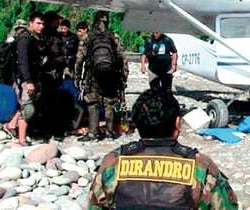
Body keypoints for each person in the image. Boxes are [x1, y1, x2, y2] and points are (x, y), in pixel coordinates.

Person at [88, 89, 238, 209]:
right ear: (178, 124)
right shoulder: (201, 166)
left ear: (138, 123)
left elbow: (94, 204)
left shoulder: (114, 161)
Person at [75, 11, 129, 141]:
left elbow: (79, 58)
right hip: (111, 75)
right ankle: (110, 132)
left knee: (93, 102)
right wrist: (124, 74)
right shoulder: (113, 36)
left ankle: (93, 133)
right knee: (109, 102)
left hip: (93, 74)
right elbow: (123, 57)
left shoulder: (88, 36)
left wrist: (77, 76)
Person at [6, 12, 46, 146]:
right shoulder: (25, 39)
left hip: (31, 78)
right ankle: (21, 140)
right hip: (23, 79)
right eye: (38, 23)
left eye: (42, 24)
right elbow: (23, 61)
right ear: (30, 23)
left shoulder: (34, 38)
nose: (41, 26)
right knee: (28, 109)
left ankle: (11, 125)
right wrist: (28, 81)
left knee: (28, 104)